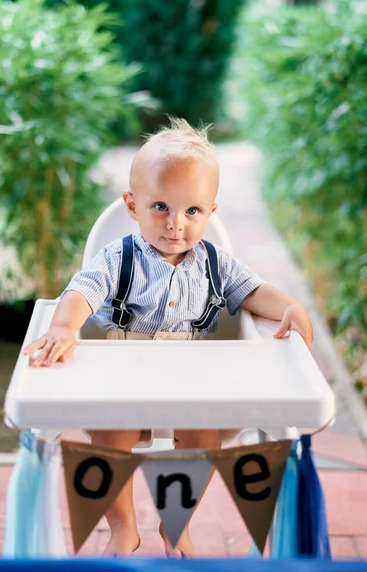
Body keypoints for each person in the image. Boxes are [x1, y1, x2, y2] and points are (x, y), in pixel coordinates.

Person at [24, 117, 313, 557]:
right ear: (132, 205)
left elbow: (256, 294)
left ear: (210, 212)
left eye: (192, 210)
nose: (176, 223)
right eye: (160, 206)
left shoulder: (216, 264)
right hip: (122, 379)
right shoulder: (117, 258)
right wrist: (64, 326)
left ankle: (175, 523)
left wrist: (291, 307)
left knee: (205, 436)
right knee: (106, 435)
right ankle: (122, 527)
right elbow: (80, 291)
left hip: (190, 382)